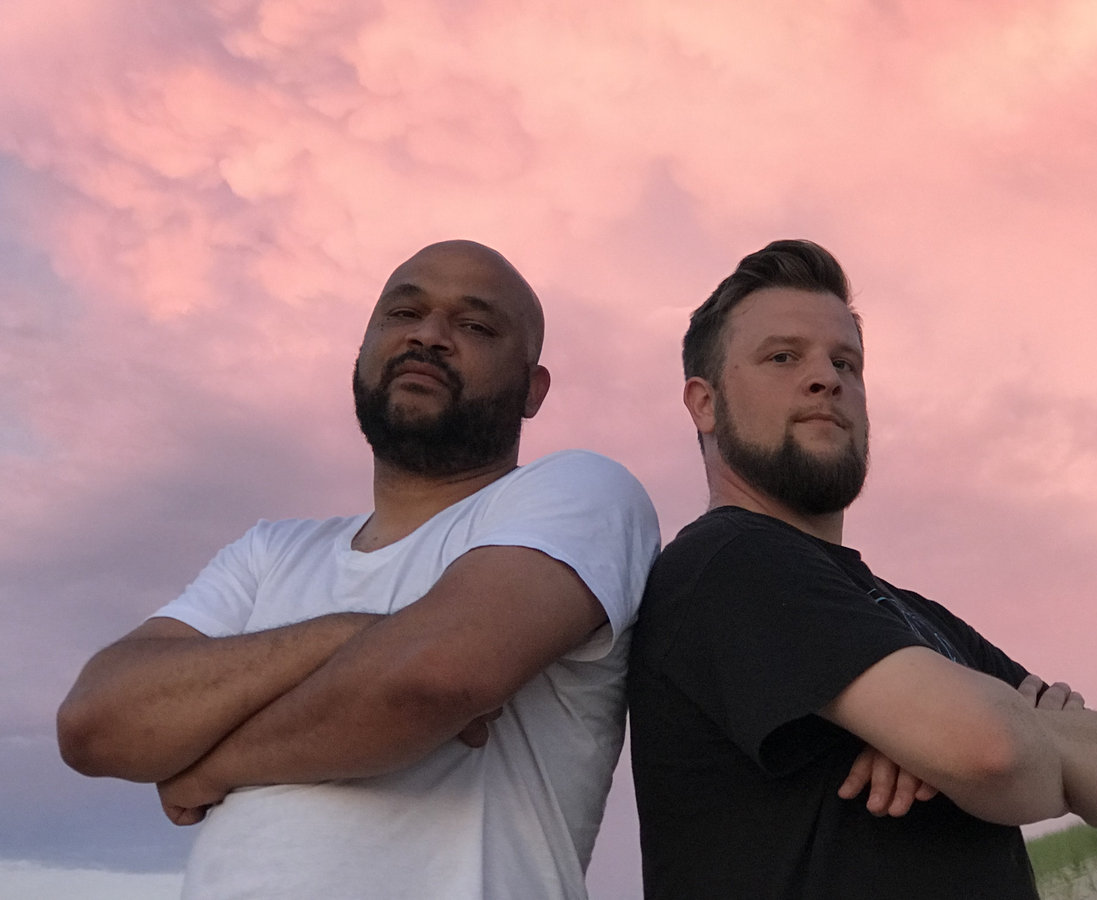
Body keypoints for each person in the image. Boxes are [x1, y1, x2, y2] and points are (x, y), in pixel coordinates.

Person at [58, 240, 660, 900]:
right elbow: (94, 723)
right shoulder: (270, 552)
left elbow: (430, 680)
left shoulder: (580, 491)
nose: (429, 335)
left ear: (533, 389)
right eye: (404, 313)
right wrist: (351, 635)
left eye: (474, 325)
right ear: (365, 346)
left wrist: (213, 765)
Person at [627, 239, 1097, 899]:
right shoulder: (727, 565)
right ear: (704, 403)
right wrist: (998, 732)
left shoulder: (908, 613)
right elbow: (992, 753)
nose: (827, 378)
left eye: (846, 362)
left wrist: (982, 732)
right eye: (784, 357)